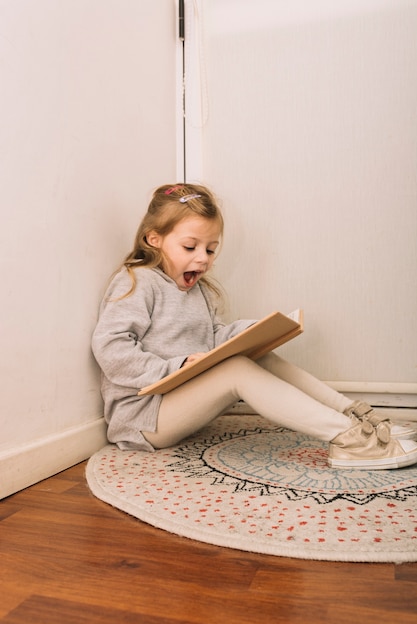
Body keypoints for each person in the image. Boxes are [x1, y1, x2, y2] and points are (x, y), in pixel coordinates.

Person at [92, 183, 417, 470]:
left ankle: (354, 416)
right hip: (142, 417)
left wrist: (254, 333)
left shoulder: (198, 290)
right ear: (154, 239)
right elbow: (111, 346)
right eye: (190, 247)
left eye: (211, 249)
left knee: (257, 356)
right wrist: (172, 367)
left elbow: (212, 337)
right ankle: (351, 440)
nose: (203, 258)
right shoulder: (138, 282)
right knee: (236, 370)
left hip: (174, 402)